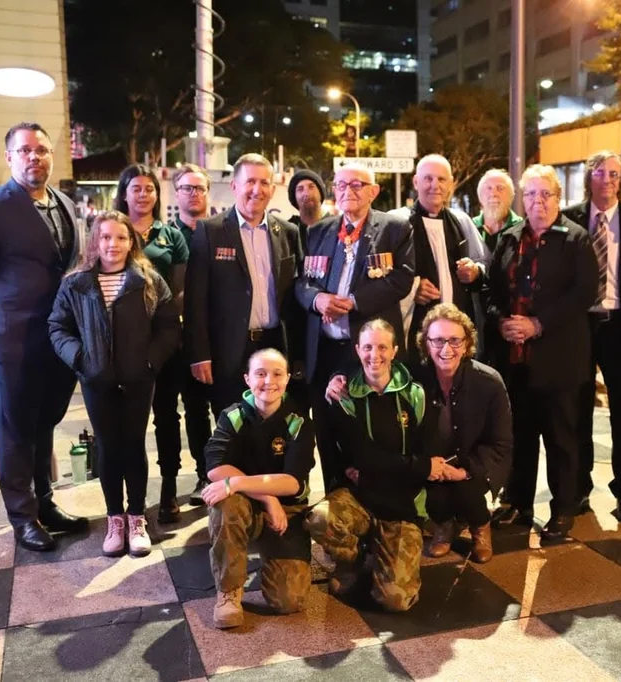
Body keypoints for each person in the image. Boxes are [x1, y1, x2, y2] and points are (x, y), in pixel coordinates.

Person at [0, 121, 88, 552]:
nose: (35, 157)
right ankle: (22, 517)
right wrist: (0, 312)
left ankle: (44, 502)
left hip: (57, 337)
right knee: (15, 431)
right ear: (9, 156)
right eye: (25, 150)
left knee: (44, 423)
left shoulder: (64, 203)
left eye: (42, 150)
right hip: (13, 337)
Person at [49, 211, 180, 557]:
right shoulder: (75, 283)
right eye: (106, 237)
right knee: (107, 447)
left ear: (131, 242)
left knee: (134, 445)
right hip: (97, 380)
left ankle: (136, 517)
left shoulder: (149, 281)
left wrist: (150, 361)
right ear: (95, 241)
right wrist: (81, 359)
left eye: (121, 237)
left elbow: (169, 326)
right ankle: (115, 518)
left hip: (138, 379)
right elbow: (57, 327)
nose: (113, 244)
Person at [487, 164, 598, 543]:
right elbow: (491, 291)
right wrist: (502, 321)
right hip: (515, 360)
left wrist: (537, 324)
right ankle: (518, 502)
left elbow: (584, 294)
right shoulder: (508, 238)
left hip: (559, 359)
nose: (538, 201)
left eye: (546, 194)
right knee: (519, 435)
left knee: (560, 438)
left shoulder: (576, 239)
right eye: (531, 194)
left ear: (558, 197)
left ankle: (564, 508)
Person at [304, 319, 443, 612]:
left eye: (382, 347)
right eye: (367, 347)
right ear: (357, 350)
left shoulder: (416, 395)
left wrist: (372, 474)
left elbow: (426, 457)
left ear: (394, 351)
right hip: (360, 498)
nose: (374, 355)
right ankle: (351, 561)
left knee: (395, 600)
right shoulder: (344, 395)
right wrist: (414, 467)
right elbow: (362, 456)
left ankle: (384, 551)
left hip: (403, 502)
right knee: (318, 518)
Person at [295, 163, 415, 492]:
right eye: (341, 185)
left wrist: (354, 301)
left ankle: (373, 503)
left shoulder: (394, 228)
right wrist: (317, 299)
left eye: (357, 185)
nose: (348, 191)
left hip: (368, 352)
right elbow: (302, 281)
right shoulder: (319, 230)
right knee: (326, 430)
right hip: (324, 351)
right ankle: (335, 501)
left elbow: (402, 278)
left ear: (373, 191)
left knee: (367, 431)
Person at [563, 151, 621, 521]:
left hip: (620, 325)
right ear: (589, 178)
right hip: (579, 326)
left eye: (614, 174)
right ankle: (580, 486)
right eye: (600, 173)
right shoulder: (569, 218)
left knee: (620, 410)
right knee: (579, 408)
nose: (608, 180)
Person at [200, 348, 315, 629]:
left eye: (277, 374)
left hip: (288, 511)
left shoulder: (298, 421)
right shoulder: (233, 416)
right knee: (224, 502)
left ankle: (272, 555)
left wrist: (238, 482)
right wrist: (267, 498)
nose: (269, 381)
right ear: (247, 379)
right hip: (246, 505)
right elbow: (215, 468)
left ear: (287, 378)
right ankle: (228, 592)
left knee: (289, 601)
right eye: (260, 374)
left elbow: (292, 482)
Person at [183, 153, 304, 416]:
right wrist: (200, 354)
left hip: (275, 347)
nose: (257, 190)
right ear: (234, 186)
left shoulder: (288, 232)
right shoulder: (210, 231)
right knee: (232, 426)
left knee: (275, 428)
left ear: (272, 189)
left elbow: (296, 297)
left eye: (264, 183)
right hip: (229, 352)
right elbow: (195, 301)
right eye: (250, 181)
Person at [114, 164, 191, 522]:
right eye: (136, 188)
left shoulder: (170, 235)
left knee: (167, 416)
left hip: (165, 339)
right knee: (127, 421)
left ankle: (169, 490)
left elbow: (182, 289)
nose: (143, 195)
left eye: (149, 189)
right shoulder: (114, 231)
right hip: (123, 342)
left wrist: (164, 323)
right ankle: (130, 499)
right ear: (124, 193)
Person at [416, 304, 513, 563]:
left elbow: (501, 443)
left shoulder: (490, 382)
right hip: (434, 462)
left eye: (454, 340)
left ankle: (480, 527)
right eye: (437, 340)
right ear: (426, 343)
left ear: (467, 343)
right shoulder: (414, 378)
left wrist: (466, 470)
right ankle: (444, 526)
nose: (446, 349)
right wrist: (338, 380)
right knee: (436, 496)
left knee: (467, 492)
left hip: (475, 461)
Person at [391, 154, 488, 351]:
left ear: (450, 184)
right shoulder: (397, 222)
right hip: (414, 328)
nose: (435, 185)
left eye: (442, 179)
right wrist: (412, 288)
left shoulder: (462, 221)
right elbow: (383, 275)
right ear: (416, 182)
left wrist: (475, 271)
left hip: (457, 330)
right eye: (428, 178)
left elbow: (485, 263)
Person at [169, 163, 216, 506]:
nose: (194, 194)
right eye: (187, 188)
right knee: (195, 410)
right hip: (183, 339)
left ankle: (229, 471)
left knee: (228, 407)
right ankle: (203, 472)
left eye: (200, 188)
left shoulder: (219, 231)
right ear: (177, 193)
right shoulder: (169, 237)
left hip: (221, 335)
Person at [472, 169, 521, 255]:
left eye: (500, 188)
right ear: (480, 196)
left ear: (511, 196)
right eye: (489, 188)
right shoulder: (470, 227)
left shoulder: (522, 229)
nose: (493, 193)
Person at [287, 169, 327, 251]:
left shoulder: (335, 227)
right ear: (294, 198)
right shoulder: (287, 231)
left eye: (311, 187)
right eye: (300, 189)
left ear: (320, 193)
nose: (306, 194)